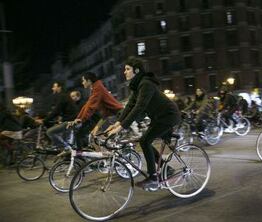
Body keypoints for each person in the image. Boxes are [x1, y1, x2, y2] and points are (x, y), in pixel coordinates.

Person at [106, 56, 181, 191]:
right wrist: (117, 123)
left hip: (169, 116)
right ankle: (166, 168)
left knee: (145, 141)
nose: (125, 72)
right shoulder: (138, 85)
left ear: (136, 70)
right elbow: (130, 106)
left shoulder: (146, 84)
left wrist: (123, 126)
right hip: (159, 117)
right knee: (144, 140)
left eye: (128, 69)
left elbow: (139, 107)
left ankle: (153, 178)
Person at [67, 72, 124, 148]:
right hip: (107, 116)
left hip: (115, 114)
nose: (82, 83)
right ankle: (109, 157)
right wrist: (78, 118)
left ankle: (116, 156)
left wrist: (81, 119)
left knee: (105, 138)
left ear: (89, 81)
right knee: (95, 137)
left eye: (83, 80)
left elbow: (90, 106)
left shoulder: (97, 88)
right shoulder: (95, 88)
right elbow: (87, 105)